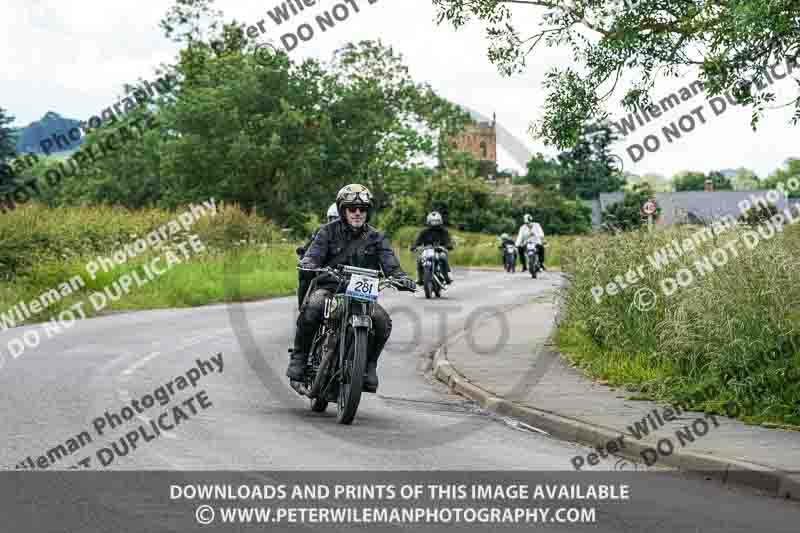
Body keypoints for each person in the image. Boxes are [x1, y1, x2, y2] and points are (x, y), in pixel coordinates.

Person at [287, 184, 416, 392]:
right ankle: (298, 364)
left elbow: (390, 264)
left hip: (362, 296)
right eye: (352, 208)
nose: (357, 213)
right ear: (342, 210)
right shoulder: (327, 232)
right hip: (331, 289)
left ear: (368, 211)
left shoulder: (377, 238)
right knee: (312, 308)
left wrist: (401, 277)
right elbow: (313, 254)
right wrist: (310, 262)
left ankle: (368, 367)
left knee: (382, 321)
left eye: (362, 209)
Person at [295, 203, 339, 308]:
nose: (336, 223)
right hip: (326, 269)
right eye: (333, 219)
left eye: (339, 219)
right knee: (304, 273)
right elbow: (310, 247)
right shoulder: (322, 230)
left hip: (349, 272)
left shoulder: (360, 233)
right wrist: (305, 258)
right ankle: (303, 307)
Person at [410, 211, 454, 285]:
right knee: (419, 259)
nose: (434, 223)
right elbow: (418, 241)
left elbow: (447, 240)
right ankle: (420, 278)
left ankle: (447, 276)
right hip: (427, 251)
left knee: (443, 257)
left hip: (440, 250)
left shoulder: (443, 231)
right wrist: (414, 246)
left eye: (436, 221)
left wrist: (448, 245)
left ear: (440, 221)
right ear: (428, 221)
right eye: (432, 221)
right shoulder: (424, 232)